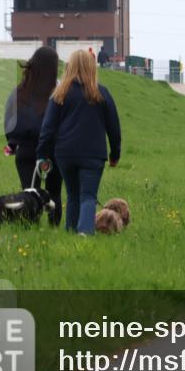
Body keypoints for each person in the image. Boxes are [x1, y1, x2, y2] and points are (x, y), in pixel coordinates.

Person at [37, 50, 121, 235]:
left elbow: (47, 128)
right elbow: (114, 127)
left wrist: (42, 155)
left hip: (65, 154)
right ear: (92, 67)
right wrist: (115, 154)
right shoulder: (102, 92)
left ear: (70, 66)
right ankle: (84, 232)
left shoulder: (59, 93)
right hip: (93, 154)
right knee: (88, 196)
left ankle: (70, 231)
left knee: (73, 195)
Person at [4, 46, 63, 225]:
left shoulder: (19, 92)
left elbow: (9, 121)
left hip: (26, 150)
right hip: (54, 150)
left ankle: (30, 227)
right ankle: (53, 227)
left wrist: (13, 143)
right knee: (54, 192)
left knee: (29, 192)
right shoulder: (60, 91)